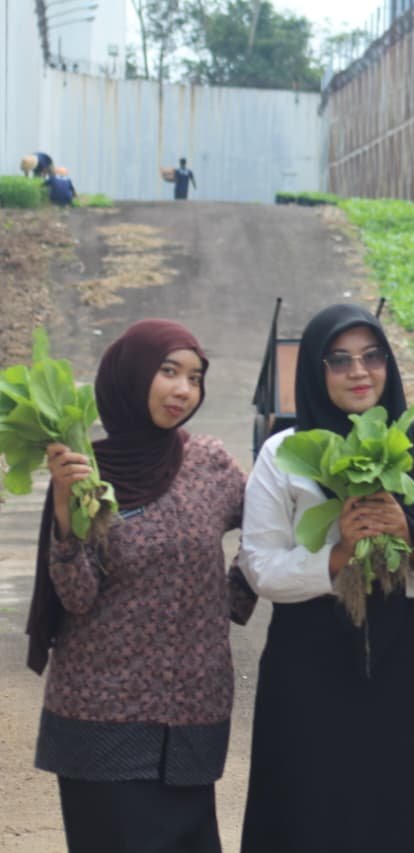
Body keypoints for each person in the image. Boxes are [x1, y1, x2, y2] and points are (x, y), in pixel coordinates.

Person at [238, 303, 414, 853]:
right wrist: (337, 555)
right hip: (307, 658)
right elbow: (259, 565)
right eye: (340, 360)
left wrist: (409, 531)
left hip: (407, 657)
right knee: (307, 804)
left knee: (407, 805)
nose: (359, 372)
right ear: (315, 374)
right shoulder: (284, 453)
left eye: (372, 357)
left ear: (389, 365)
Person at [24, 320, 244, 853]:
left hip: (193, 712)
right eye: (168, 371)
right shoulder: (87, 472)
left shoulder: (209, 465)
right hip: (101, 718)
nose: (183, 390)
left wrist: (234, 594)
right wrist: (63, 513)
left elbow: (272, 533)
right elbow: (77, 596)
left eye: (194, 377)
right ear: (130, 375)